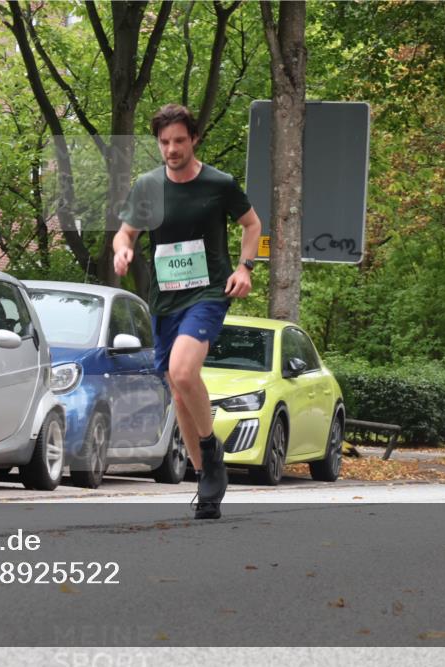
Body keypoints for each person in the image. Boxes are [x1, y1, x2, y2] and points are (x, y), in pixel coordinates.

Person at [113, 103, 262, 520]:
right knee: (177, 388)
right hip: (165, 300)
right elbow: (125, 232)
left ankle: (211, 452)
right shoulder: (148, 186)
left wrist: (244, 267)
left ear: (194, 139)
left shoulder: (219, 183)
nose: (172, 149)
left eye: (179, 140)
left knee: (182, 372)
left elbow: (253, 225)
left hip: (208, 294)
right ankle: (206, 478)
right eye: (164, 142)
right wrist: (122, 251)